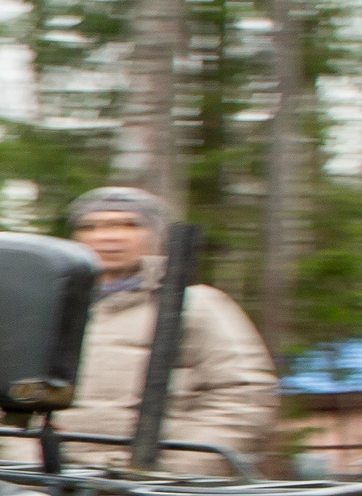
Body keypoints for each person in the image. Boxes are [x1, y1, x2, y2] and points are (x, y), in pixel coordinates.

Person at [64, 186, 279, 476]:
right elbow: (15, 397)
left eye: (128, 224)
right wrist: (32, 466)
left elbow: (244, 396)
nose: (107, 236)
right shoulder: (56, 307)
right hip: (51, 484)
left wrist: (176, 470)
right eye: (90, 226)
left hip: (159, 489)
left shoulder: (196, 305)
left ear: (156, 234)